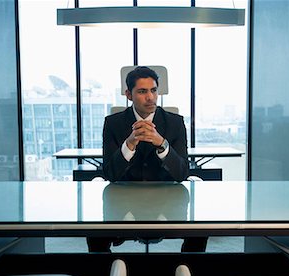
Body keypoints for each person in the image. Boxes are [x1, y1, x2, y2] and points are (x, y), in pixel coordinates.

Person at [87, 66, 207, 252]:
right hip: (123, 198)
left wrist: (161, 144)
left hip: (167, 199)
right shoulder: (113, 123)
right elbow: (110, 174)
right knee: (94, 232)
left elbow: (182, 173)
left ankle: (186, 272)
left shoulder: (175, 122)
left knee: (200, 229)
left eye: (153, 90)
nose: (150, 97)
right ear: (128, 94)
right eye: (142, 91)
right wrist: (129, 144)